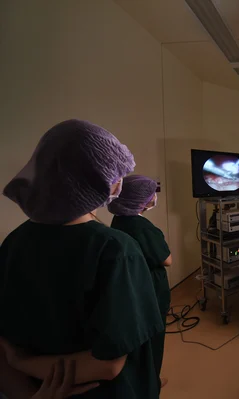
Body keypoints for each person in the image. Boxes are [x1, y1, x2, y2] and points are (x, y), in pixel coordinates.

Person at [0, 120, 164, 398]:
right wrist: (20, 361)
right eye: (116, 174)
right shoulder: (116, 249)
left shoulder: (15, 241)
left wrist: (22, 371)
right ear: (97, 181)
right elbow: (109, 365)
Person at [108, 175, 172, 389]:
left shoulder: (119, 220)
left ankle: (146, 378)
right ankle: (152, 381)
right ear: (142, 201)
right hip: (151, 291)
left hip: (134, 289)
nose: (155, 197)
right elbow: (167, 259)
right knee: (153, 339)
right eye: (152, 194)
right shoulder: (142, 226)